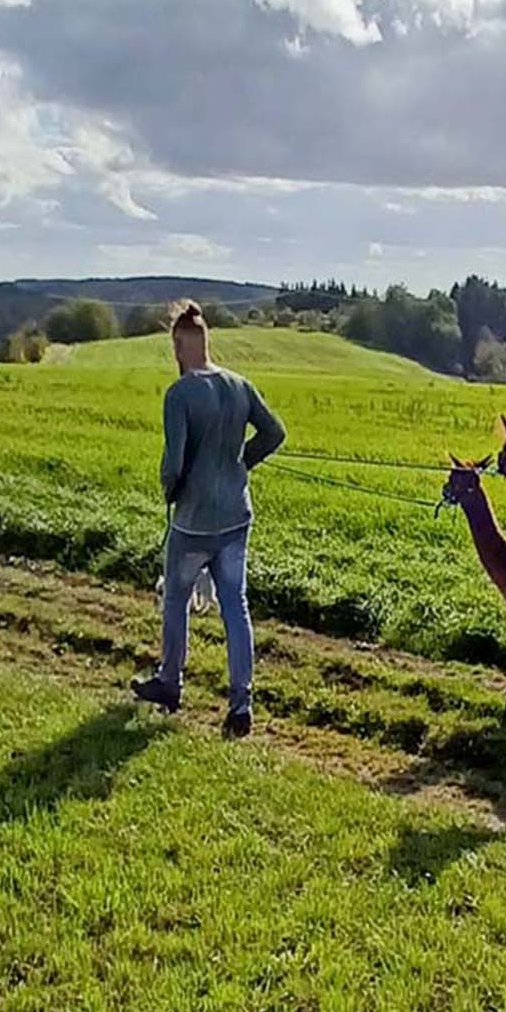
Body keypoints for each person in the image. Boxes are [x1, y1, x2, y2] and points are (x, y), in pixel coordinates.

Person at [131, 300, 286, 737]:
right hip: (237, 516)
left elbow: (173, 462)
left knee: (176, 600)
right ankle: (241, 706)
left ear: (181, 345)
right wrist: (242, 462)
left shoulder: (179, 395)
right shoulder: (240, 385)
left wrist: (170, 487)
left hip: (195, 521)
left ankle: (170, 683)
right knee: (235, 607)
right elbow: (275, 432)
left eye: (174, 348)